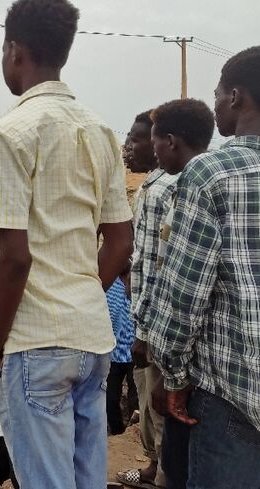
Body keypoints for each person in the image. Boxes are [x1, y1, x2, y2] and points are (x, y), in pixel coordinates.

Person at [0, 1, 134, 488]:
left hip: (35, 340)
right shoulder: (101, 130)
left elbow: (15, 259)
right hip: (91, 335)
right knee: (86, 478)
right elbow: (120, 239)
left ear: (14, 51)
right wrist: (84, 289)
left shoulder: (11, 132)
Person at [146, 63, 259, 487]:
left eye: (217, 95)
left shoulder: (211, 174)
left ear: (235, 97)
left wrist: (173, 377)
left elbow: (184, 295)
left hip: (233, 395)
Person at [116, 110, 179, 489]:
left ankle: (160, 474)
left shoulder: (160, 190)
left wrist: (142, 333)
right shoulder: (152, 186)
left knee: (156, 399)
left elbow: (160, 266)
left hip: (153, 325)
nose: (128, 146)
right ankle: (156, 468)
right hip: (146, 317)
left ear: (160, 144)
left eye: (135, 138)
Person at [106, 264, 135, 436]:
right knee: (110, 400)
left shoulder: (139, 281)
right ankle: (118, 434)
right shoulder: (109, 284)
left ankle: (133, 434)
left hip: (135, 354)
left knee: (136, 400)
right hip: (113, 354)